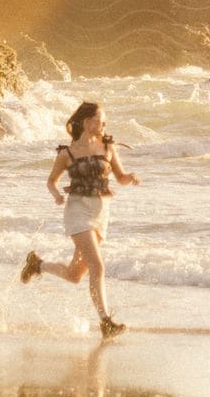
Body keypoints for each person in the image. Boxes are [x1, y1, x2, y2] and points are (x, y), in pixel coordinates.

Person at [20, 100, 138, 338]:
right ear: (87, 122)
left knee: (75, 275)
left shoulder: (109, 148)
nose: (103, 125)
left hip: (100, 212)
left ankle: (37, 264)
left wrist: (131, 177)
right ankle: (105, 322)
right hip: (77, 211)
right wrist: (56, 196)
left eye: (105, 122)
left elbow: (120, 177)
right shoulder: (67, 153)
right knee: (98, 265)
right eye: (99, 121)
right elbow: (51, 181)